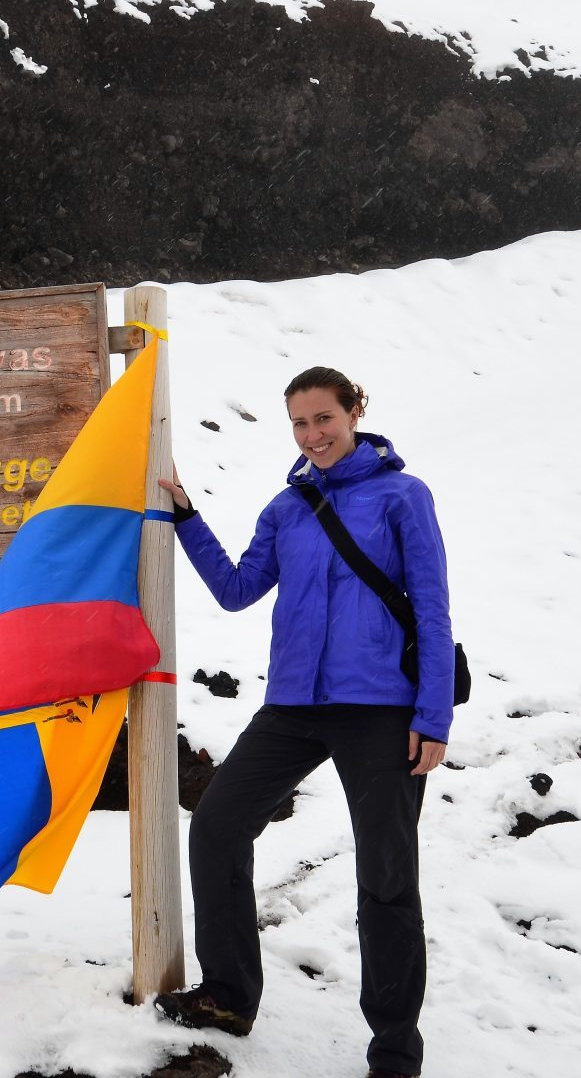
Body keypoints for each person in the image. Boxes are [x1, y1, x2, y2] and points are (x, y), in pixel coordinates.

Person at [153, 366, 454, 1078]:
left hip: (380, 708)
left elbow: (433, 607)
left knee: (386, 874)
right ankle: (229, 995)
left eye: (323, 418)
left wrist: (433, 716)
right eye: (299, 422)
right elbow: (236, 591)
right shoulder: (286, 509)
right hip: (292, 705)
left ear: (353, 413)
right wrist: (186, 517)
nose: (313, 434)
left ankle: (394, 1048)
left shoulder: (402, 496)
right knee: (218, 826)